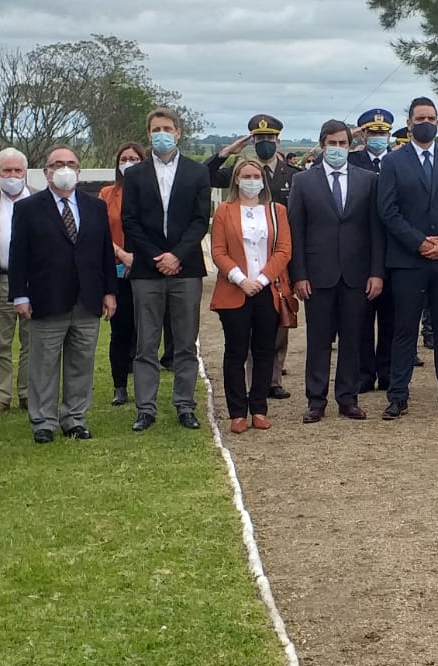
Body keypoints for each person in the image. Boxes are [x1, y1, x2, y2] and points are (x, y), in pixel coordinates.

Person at [8, 145, 116, 443]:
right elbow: (18, 255)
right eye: (57, 164)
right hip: (46, 298)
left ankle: (74, 418)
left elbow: (105, 252)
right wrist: (20, 295)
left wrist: (109, 291)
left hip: (88, 298)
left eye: (70, 163)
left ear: (78, 170)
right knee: (43, 364)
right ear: (46, 172)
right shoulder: (28, 208)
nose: (64, 168)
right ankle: (43, 421)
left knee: (81, 362)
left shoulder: (95, 206)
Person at [376, 96, 438, 420]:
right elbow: (387, 211)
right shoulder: (393, 162)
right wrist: (419, 242)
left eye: (431, 117)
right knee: (403, 330)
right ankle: (398, 395)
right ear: (409, 123)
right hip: (409, 260)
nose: (426, 122)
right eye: (420, 118)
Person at [288, 119, 385, 422]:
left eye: (343, 143)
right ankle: (316, 400)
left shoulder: (367, 180)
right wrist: (299, 275)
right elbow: (296, 231)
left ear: (351, 145)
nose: (338, 149)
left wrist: (376, 272)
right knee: (318, 339)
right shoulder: (304, 181)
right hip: (317, 275)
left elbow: (376, 231)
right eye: (332, 143)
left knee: (353, 338)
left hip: (357, 274)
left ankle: (348, 398)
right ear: (322, 145)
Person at [120, 108, 211, 432]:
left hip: (185, 269)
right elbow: (130, 221)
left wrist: (177, 255)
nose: (162, 133)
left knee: (185, 342)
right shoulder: (135, 175)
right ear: (149, 134)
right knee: (147, 341)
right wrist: (158, 255)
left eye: (167, 128)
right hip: (147, 269)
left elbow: (201, 220)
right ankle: (146, 408)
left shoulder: (198, 172)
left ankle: (185, 405)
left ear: (178, 133)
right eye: (156, 128)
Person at [209, 114, 298, 399]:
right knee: (243, 336)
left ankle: (273, 379)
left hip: (281, 261)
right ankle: (251, 383)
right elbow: (207, 175)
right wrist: (226, 152)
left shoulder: (293, 174)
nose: (264, 143)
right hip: (243, 270)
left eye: (269, 139)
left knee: (278, 328)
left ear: (278, 141)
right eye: (259, 139)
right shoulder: (242, 170)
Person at [350, 108, 397, 393]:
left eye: (383, 132)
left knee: (392, 318)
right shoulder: (352, 160)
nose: (378, 137)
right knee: (362, 320)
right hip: (361, 252)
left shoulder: (399, 161)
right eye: (373, 132)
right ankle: (364, 374)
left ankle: (389, 373)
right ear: (363, 134)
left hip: (394, 252)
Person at [0, 148, 33, 416]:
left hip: (32, 280)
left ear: (25, 173)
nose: (12, 176)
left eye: (17, 171)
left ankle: (29, 392)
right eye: (7, 171)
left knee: (33, 339)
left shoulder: (39, 197)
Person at [98, 142, 144, 407]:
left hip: (144, 269)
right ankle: (119, 386)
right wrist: (123, 255)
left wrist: (137, 258)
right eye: (124, 158)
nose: (129, 162)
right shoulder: (107, 194)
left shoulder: (151, 193)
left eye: (134, 158)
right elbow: (101, 230)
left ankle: (142, 385)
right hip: (115, 268)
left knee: (145, 332)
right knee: (120, 331)